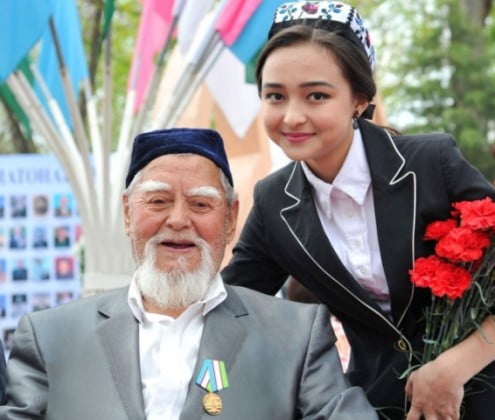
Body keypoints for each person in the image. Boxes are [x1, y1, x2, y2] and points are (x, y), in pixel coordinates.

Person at [221, 2, 495, 419]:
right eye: (275, 96)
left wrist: (455, 366)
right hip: (373, 407)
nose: (292, 116)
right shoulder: (274, 202)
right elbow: (229, 311)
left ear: (359, 99)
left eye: (316, 95)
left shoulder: (431, 163)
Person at [0, 128, 378, 420]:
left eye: (200, 204)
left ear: (230, 218)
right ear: (128, 212)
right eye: (158, 201)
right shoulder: (51, 337)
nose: (179, 220)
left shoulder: (295, 335)